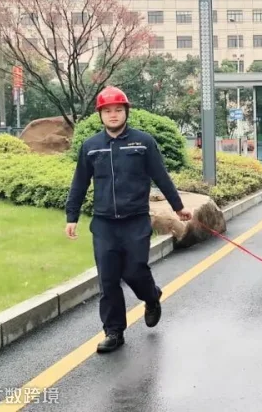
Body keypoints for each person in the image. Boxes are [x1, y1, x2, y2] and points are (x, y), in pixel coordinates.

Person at [65, 86, 192, 354]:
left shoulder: (143, 142)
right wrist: (71, 216)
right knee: (108, 279)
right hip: (104, 224)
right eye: (107, 111)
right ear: (100, 115)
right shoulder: (91, 147)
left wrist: (178, 207)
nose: (113, 115)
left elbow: (161, 176)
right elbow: (79, 183)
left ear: (126, 112)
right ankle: (113, 332)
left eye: (118, 110)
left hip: (135, 221)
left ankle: (151, 297)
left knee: (134, 270)